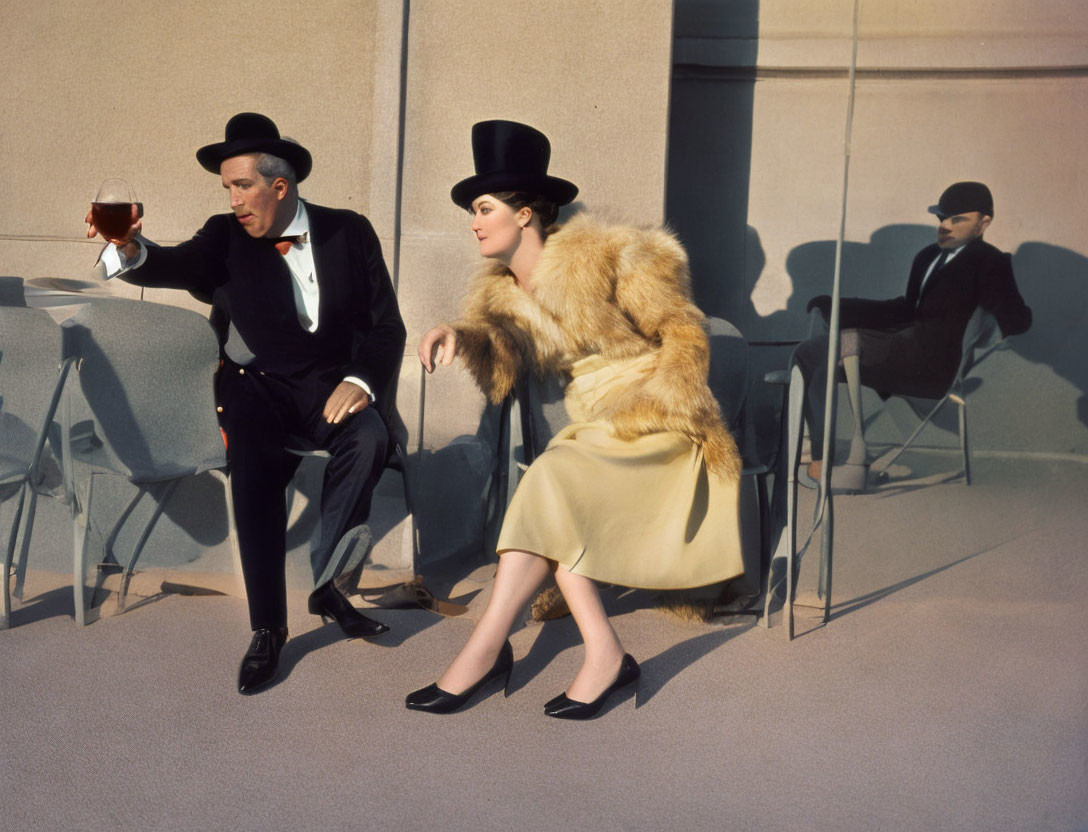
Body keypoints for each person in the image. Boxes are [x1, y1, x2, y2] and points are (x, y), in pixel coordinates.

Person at [406, 120, 745, 720]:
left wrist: (669, 402)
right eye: (473, 212)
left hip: (660, 418)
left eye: (484, 208)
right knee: (556, 483)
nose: (474, 222)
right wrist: (455, 332)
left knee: (551, 477)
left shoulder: (613, 254)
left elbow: (684, 330)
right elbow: (503, 351)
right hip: (595, 427)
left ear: (527, 213)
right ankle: (599, 654)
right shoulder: (500, 294)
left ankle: (486, 650)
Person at [86, 112, 407, 694]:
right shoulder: (224, 236)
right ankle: (268, 629)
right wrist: (128, 247)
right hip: (255, 387)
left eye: (241, 186)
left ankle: (329, 586)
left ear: (278, 186)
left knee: (371, 439)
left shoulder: (350, 231)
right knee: (254, 465)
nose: (233, 200)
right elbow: (170, 263)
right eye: (226, 188)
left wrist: (361, 381)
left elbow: (387, 325)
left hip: (329, 385)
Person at [798, 181, 1032, 482]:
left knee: (821, 350)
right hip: (901, 348)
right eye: (941, 218)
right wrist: (837, 307)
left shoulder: (990, 263)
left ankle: (833, 461)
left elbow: (1018, 321)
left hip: (933, 365)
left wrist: (1001, 306)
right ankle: (821, 452)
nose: (945, 226)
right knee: (813, 357)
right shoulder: (927, 257)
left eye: (957, 219)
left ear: (983, 223)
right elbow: (905, 309)